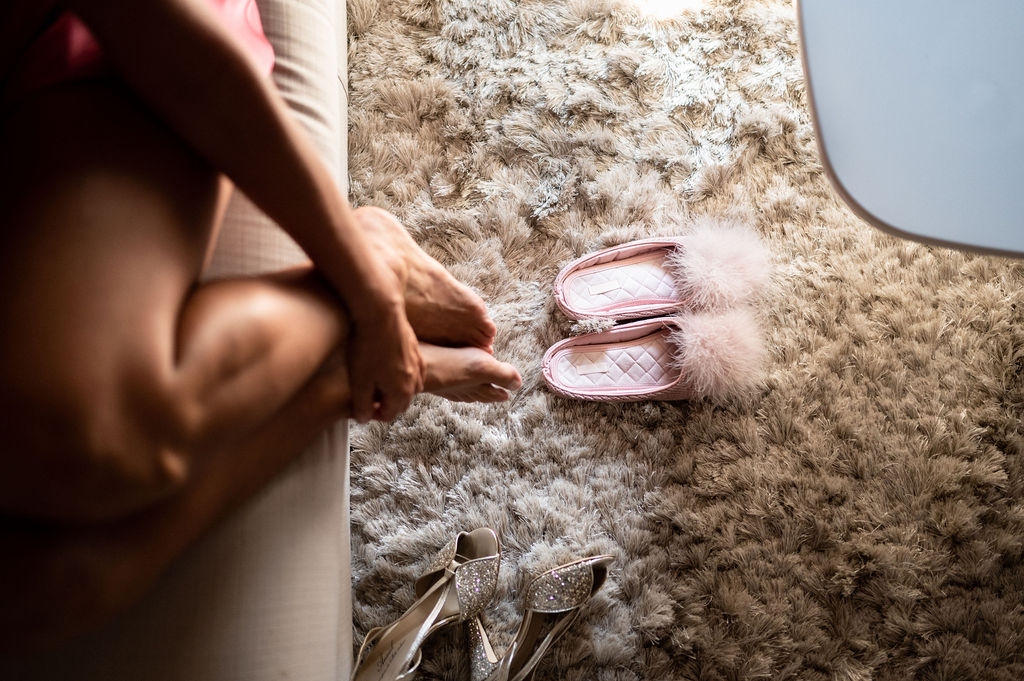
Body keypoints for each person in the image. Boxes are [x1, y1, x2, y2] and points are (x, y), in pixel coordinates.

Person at [0, 0, 522, 654]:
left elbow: (164, 34)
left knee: (95, 434)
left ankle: (371, 260)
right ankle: (332, 384)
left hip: (106, 37)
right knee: (46, 587)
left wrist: (365, 288)